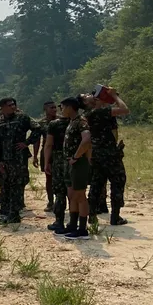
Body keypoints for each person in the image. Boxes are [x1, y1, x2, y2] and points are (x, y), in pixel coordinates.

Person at [84, 87, 130, 226]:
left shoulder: (88, 114)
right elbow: (124, 109)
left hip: (96, 154)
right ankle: (115, 217)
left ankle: (92, 215)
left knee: (96, 185)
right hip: (110, 154)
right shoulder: (102, 112)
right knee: (117, 182)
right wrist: (115, 96)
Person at [0, 98, 40, 224]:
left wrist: (27, 142)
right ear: (2, 108)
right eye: (9, 105)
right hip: (4, 160)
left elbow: (37, 128)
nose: (13, 107)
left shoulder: (22, 117)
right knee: (5, 185)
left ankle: (15, 213)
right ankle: (5, 212)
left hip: (18, 159)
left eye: (14, 104)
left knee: (17, 185)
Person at [60, 96, 92, 239]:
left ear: (69, 107)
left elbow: (86, 140)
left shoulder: (81, 121)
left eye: (62, 107)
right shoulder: (72, 122)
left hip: (78, 163)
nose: (61, 110)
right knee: (72, 195)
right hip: (70, 163)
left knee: (80, 196)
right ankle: (73, 225)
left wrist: (76, 157)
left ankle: (82, 229)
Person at [43, 111, 70, 232]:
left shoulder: (54, 124)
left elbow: (48, 145)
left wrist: (47, 162)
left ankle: (59, 221)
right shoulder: (81, 122)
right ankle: (76, 222)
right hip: (75, 160)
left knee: (59, 193)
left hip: (58, 160)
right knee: (75, 192)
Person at [35, 101, 58, 212]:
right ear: (45, 109)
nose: (54, 109)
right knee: (49, 178)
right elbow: (37, 141)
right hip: (46, 152)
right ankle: (50, 201)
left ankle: (60, 201)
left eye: (55, 107)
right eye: (51, 108)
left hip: (60, 152)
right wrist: (35, 156)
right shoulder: (41, 123)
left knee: (61, 178)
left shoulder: (62, 120)